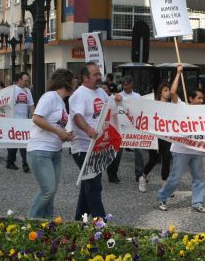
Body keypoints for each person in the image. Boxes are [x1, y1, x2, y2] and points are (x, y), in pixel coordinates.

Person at [157, 65, 205, 213]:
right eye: (199, 98)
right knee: (175, 177)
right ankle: (162, 197)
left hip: (196, 149)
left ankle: (197, 202)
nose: (201, 101)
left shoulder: (204, 111)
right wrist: (178, 73)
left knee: (198, 178)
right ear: (191, 98)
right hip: (181, 149)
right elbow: (173, 92)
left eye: (202, 98)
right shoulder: (181, 105)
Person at [69, 62, 115, 220]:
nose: (99, 77)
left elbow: (110, 108)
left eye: (99, 73)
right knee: (94, 186)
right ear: (85, 78)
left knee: (87, 186)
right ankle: (100, 224)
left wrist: (117, 99)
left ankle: (79, 221)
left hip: (98, 146)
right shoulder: (79, 95)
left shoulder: (101, 92)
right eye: (95, 74)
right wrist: (88, 129)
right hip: (83, 148)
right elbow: (77, 116)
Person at [27, 69, 75, 218]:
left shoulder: (61, 102)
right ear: (66, 83)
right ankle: (30, 222)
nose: (75, 86)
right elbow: (36, 118)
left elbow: (56, 126)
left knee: (51, 192)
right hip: (40, 150)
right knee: (48, 190)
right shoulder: (50, 97)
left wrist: (65, 135)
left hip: (55, 151)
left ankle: (47, 225)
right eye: (73, 82)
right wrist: (60, 132)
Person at [107, 76, 144, 184]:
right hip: (121, 128)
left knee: (139, 151)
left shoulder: (137, 96)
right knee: (117, 152)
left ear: (132, 84)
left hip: (134, 128)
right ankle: (112, 174)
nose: (125, 86)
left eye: (127, 84)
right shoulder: (118, 96)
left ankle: (139, 175)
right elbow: (112, 110)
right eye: (123, 84)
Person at [138, 81, 174, 193]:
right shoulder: (154, 105)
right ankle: (143, 177)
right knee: (153, 160)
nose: (168, 93)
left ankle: (164, 185)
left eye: (169, 90)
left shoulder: (171, 106)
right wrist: (154, 139)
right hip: (155, 137)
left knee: (166, 159)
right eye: (165, 90)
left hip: (167, 136)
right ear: (160, 92)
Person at [7, 72, 34, 172]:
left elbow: (31, 106)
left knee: (23, 142)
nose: (27, 82)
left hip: (24, 121)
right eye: (25, 80)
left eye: (28, 80)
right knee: (15, 143)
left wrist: (35, 118)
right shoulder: (11, 90)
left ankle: (22, 163)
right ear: (19, 80)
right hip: (13, 121)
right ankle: (13, 162)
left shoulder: (28, 91)